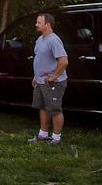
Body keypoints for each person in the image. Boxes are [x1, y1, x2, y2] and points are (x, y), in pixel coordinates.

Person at [27, 13, 68, 145]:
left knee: (55, 109)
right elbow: (40, 59)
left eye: (39, 22)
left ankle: (56, 138)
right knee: (43, 107)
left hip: (53, 83)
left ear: (47, 25)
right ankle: (43, 135)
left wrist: (54, 77)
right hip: (40, 81)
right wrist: (36, 76)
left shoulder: (53, 40)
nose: (36, 25)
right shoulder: (40, 39)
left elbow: (63, 61)